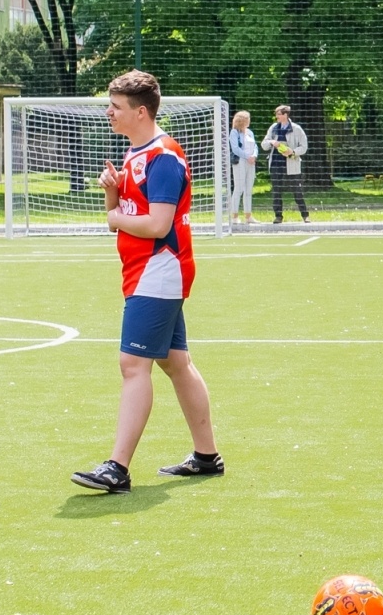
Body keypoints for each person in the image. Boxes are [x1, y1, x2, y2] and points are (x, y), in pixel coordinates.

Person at [72, 70, 225, 494]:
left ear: (140, 112)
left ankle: (117, 468)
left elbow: (157, 224)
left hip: (160, 270)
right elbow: (123, 216)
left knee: (132, 365)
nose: (108, 112)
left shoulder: (163, 158)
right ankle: (207, 457)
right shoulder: (135, 154)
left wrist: (114, 215)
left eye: (115, 107)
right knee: (176, 363)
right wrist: (113, 193)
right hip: (147, 271)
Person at [261, 104, 310, 224]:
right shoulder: (273, 128)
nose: (276, 116)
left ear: (285, 115)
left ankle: (305, 215)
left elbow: (304, 147)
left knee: (297, 191)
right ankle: (278, 216)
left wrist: (292, 152)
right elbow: (264, 144)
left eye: (278, 114)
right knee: (276, 191)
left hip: (291, 164)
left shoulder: (297, 129)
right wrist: (272, 142)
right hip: (276, 164)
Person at [228, 110, 257, 225]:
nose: (249, 121)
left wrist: (254, 156)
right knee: (239, 188)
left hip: (251, 162)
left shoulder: (250, 132)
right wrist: (247, 156)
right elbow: (235, 148)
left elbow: (255, 146)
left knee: (248, 189)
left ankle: (248, 215)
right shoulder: (234, 132)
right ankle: (234, 216)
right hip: (240, 162)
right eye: (247, 119)